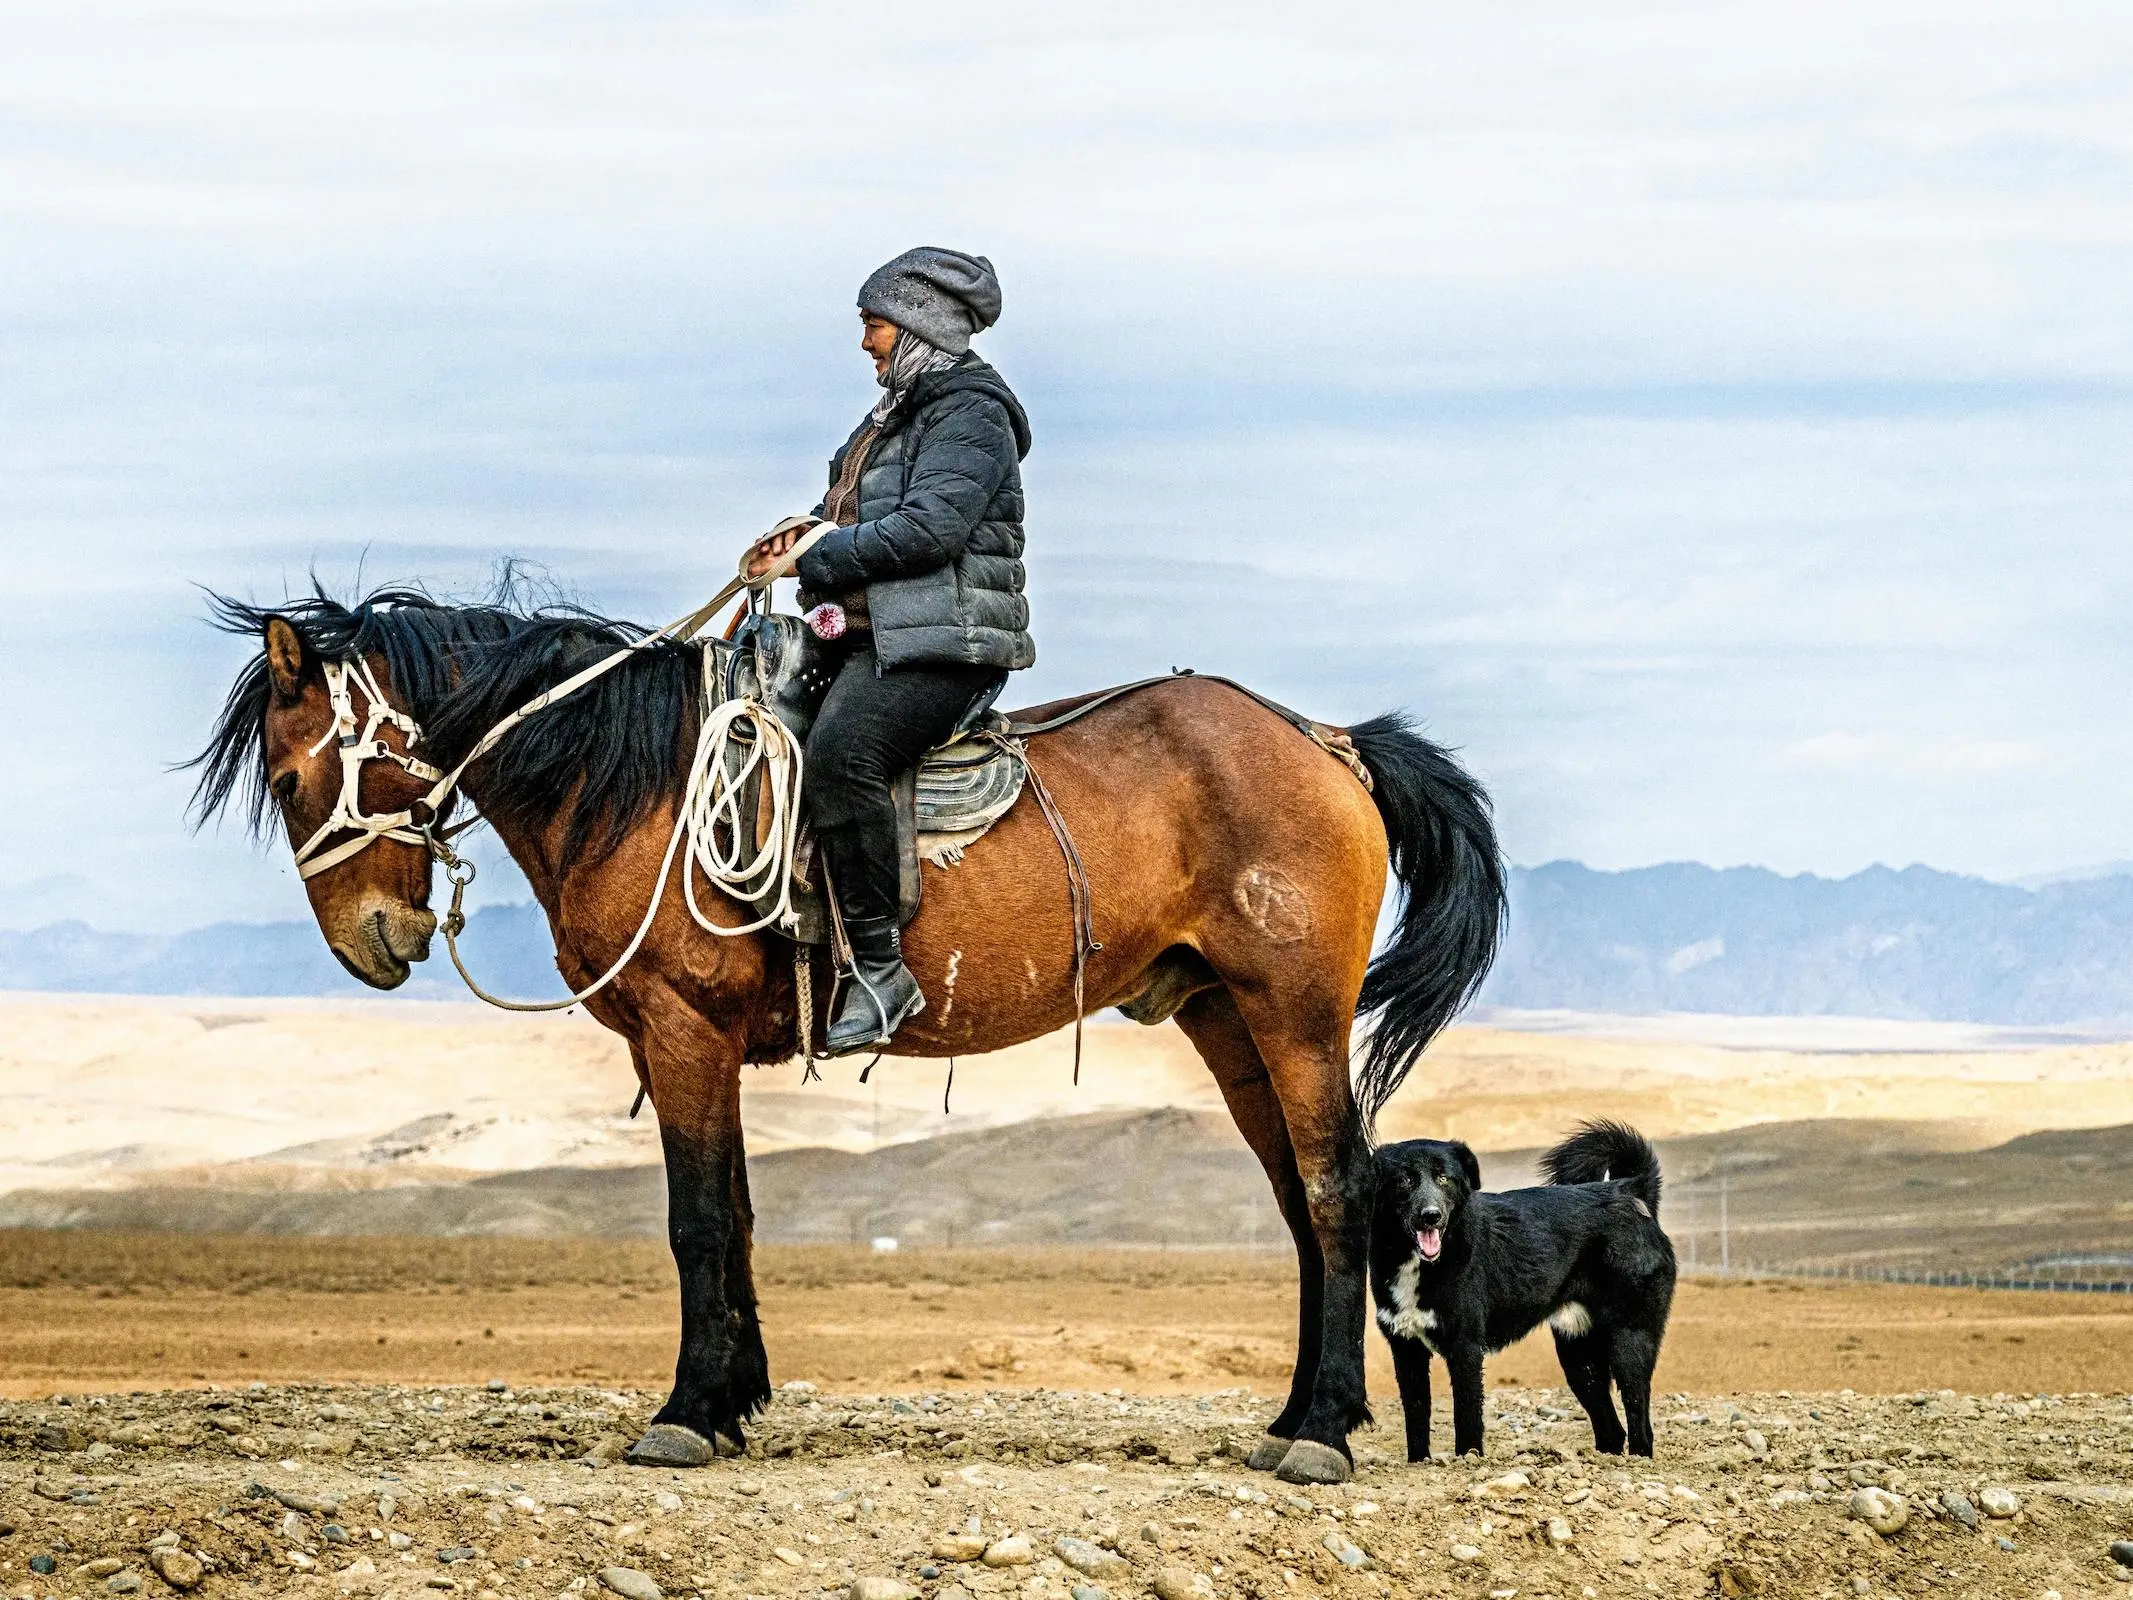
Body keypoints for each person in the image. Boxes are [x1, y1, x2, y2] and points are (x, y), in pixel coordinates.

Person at [746, 247, 1035, 1054]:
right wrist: (796, 538)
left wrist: (820, 557)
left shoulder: (970, 415)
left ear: (914, 327)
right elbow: (849, 514)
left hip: (945, 647)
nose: (866, 343)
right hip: (878, 640)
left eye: (873, 324)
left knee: (843, 757)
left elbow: (930, 530)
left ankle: (880, 972)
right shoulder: (891, 421)